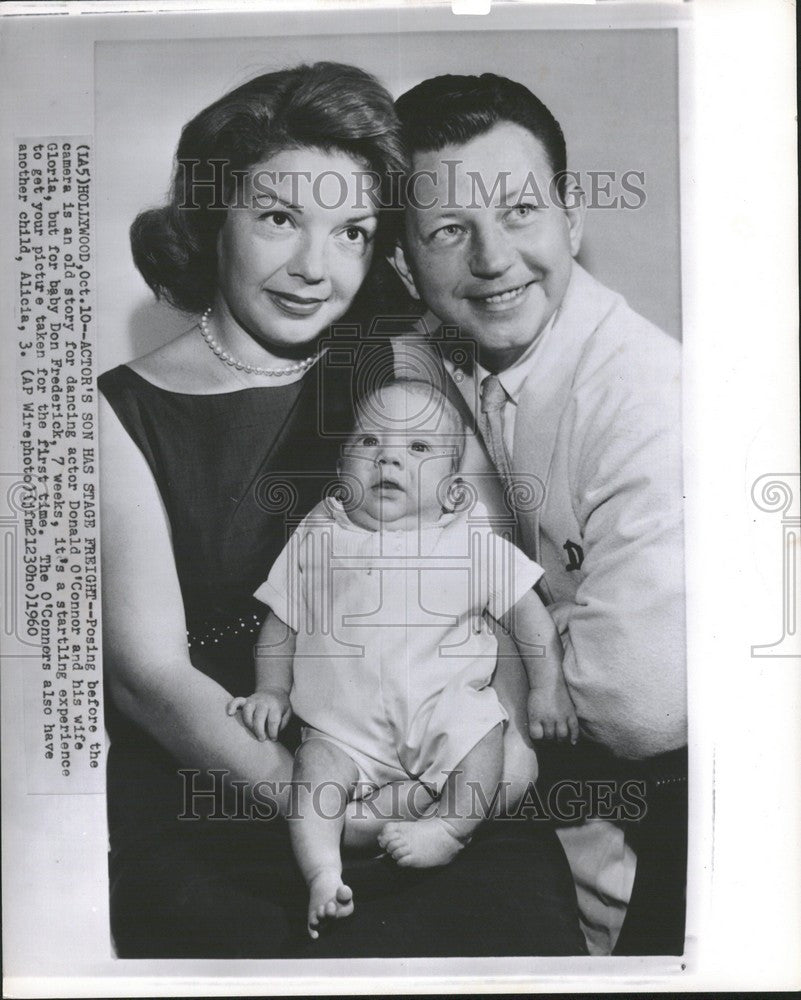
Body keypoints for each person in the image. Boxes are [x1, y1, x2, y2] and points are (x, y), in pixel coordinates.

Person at [99, 63, 587, 958]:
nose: (314, 268)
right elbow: (147, 678)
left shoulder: (396, 365)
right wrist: (321, 806)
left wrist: (497, 767)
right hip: (224, 814)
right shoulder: (112, 409)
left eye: (353, 231)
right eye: (279, 219)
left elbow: (489, 582)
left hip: (448, 794)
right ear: (214, 218)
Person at [388, 73, 687, 955]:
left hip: (674, 842)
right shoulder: (431, 355)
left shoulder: (645, 396)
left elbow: (642, 706)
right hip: (550, 825)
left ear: (571, 219)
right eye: (449, 231)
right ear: (404, 264)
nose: (492, 259)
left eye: (520, 212)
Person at [229, 379, 577, 937]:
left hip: (441, 712)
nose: (387, 454)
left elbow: (527, 614)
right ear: (342, 468)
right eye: (367, 441)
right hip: (342, 728)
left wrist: (547, 687)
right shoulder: (319, 535)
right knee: (313, 776)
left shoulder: (470, 542)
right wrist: (270, 688)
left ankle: (449, 829)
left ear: (452, 489)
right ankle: (322, 870)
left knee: (483, 738)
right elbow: (281, 619)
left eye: (417, 448)